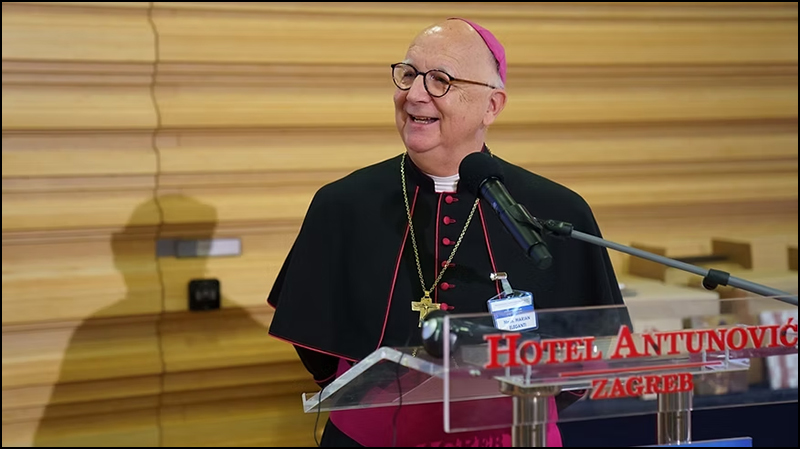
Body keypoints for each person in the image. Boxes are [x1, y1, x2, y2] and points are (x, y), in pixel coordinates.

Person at [267, 17, 626, 447]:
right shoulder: (342, 204)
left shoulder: (557, 211)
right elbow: (314, 342)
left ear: (492, 105)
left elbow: (589, 349)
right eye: (408, 75)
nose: (415, 94)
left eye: (441, 80)